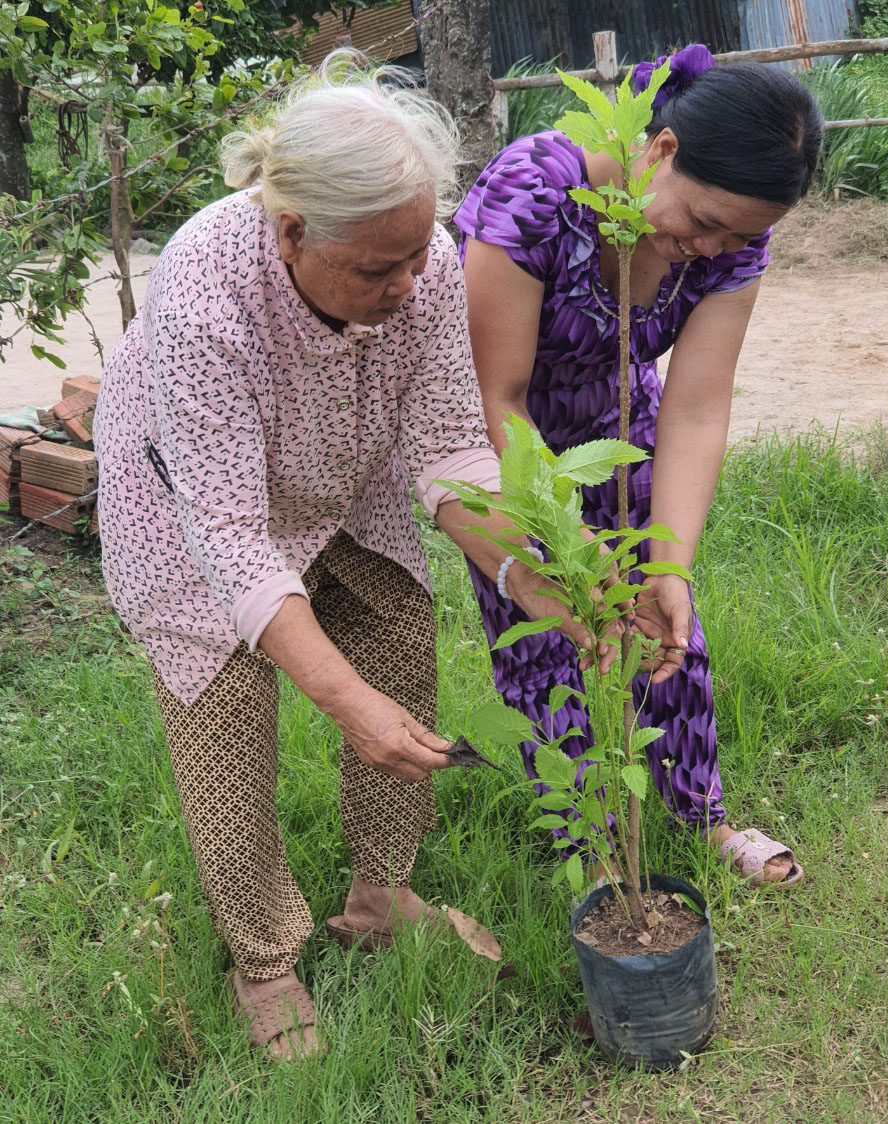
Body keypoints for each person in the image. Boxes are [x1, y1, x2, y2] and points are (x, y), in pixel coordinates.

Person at [93, 55, 613, 1060]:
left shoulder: (421, 268)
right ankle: (265, 960)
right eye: (380, 267)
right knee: (224, 720)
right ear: (293, 232)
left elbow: (457, 451)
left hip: (342, 463)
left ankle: (382, 891)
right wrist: (341, 699)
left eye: (420, 256)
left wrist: (543, 586)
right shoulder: (206, 294)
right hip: (195, 504)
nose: (409, 284)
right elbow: (235, 539)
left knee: (396, 641)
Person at [455, 45, 823, 887]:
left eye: (739, 235)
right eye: (702, 220)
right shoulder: (540, 190)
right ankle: (591, 855)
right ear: (659, 149)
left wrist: (669, 559)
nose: (710, 247)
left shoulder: (731, 245)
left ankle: (705, 818)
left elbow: (696, 407)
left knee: (665, 625)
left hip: (620, 427)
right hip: (508, 439)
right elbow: (498, 398)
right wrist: (569, 555)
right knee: (557, 631)